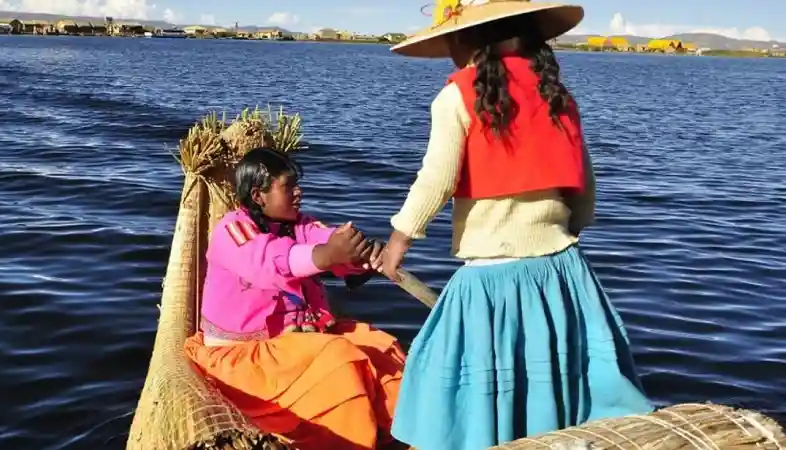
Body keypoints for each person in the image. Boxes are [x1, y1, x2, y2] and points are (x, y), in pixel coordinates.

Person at [378, 1, 654, 449]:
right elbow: (584, 183)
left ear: (465, 39)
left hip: (493, 280)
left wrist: (398, 242)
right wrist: (572, 229)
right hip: (563, 272)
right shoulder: (557, 94)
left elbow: (437, 178)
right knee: (551, 382)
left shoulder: (457, 95)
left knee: (446, 384)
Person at [184, 147, 406, 450]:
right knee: (338, 361)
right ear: (259, 195)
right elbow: (270, 263)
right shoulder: (232, 230)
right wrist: (327, 255)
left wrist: (359, 254)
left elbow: (324, 241)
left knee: (382, 348)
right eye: (288, 186)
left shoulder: (300, 224)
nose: (298, 192)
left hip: (299, 342)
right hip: (245, 356)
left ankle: (404, 434)